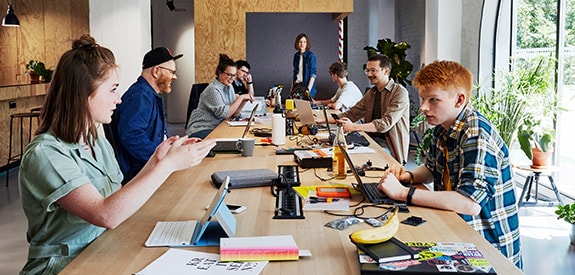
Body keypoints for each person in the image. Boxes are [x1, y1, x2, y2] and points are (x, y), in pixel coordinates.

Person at [18, 34, 216, 275]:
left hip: (103, 251)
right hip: (65, 267)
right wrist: (167, 166)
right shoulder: (46, 154)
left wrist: (157, 159)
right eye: (112, 90)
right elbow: (105, 214)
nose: (119, 98)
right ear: (83, 93)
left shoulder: (96, 139)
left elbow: (117, 196)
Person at [378, 60, 522, 268]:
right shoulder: (443, 125)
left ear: (459, 100)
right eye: (422, 99)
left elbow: (469, 204)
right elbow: (431, 169)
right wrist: (408, 177)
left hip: (489, 248)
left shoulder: (476, 133)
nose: (423, 108)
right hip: (457, 229)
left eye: (433, 100)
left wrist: (403, 193)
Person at [110, 47, 183, 184]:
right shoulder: (140, 96)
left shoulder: (147, 95)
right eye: (172, 72)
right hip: (139, 172)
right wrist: (162, 158)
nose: (174, 77)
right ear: (156, 71)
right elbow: (131, 136)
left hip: (148, 167)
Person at [333, 54, 410, 165]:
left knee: (352, 157)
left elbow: (384, 124)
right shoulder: (372, 92)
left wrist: (354, 127)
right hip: (369, 140)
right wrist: (320, 121)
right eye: (367, 70)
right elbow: (353, 113)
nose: (369, 74)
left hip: (389, 146)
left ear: (386, 71)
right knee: (340, 150)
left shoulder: (399, 92)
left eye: (373, 70)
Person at [186, 54, 254, 138]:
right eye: (229, 75)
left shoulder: (229, 87)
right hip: (202, 128)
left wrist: (244, 100)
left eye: (234, 75)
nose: (232, 78)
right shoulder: (213, 89)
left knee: (239, 137)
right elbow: (225, 114)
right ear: (220, 73)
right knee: (230, 142)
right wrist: (241, 98)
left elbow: (234, 114)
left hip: (217, 126)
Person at [291, 33, 317, 99]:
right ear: (297, 43)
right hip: (297, 85)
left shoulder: (311, 56)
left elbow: (313, 74)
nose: (302, 44)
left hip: (306, 85)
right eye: (300, 42)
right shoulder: (296, 56)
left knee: (305, 107)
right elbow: (295, 73)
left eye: (304, 42)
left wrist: (308, 90)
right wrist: (291, 90)